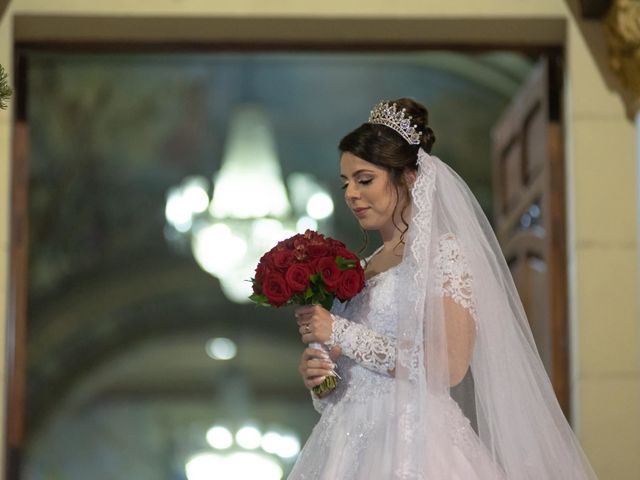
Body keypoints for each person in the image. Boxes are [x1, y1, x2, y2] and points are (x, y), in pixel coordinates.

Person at [288, 98, 598, 479]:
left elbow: (450, 365)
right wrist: (323, 378)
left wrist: (341, 331)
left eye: (364, 179)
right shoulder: (361, 269)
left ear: (409, 177)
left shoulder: (443, 253)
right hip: (345, 447)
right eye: (346, 183)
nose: (351, 193)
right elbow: (355, 371)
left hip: (414, 444)